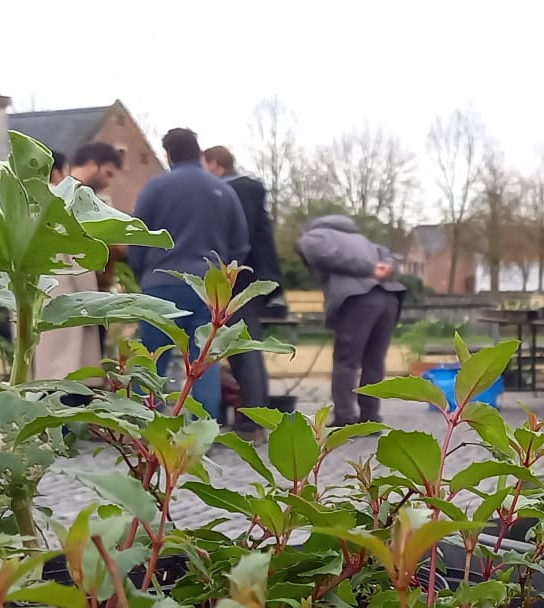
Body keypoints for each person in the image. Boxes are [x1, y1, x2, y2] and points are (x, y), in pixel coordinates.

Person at [126, 128, 247, 418]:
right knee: (204, 360)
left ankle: (146, 425)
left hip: (161, 284)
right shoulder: (223, 191)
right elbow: (240, 244)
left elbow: (136, 236)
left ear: (168, 154)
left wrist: (143, 272)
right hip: (208, 287)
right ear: (198, 151)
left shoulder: (155, 188)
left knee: (153, 358)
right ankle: (203, 429)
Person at [202, 144, 284, 430]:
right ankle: (255, 413)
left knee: (242, 348)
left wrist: (227, 271)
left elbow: (240, 236)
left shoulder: (236, 191)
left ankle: (252, 419)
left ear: (215, 164)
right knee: (246, 348)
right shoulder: (247, 190)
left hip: (240, 279)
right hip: (253, 276)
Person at [298, 215, 403, 426]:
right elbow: (390, 261)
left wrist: (368, 269)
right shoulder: (363, 240)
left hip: (358, 301)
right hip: (389, 299)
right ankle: (371, 417)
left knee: (346, 362)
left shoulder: (316, 236)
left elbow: (320, 254)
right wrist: (383, 268)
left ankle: (345, 418)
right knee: (374, 362)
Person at [34, 141, 125, 381]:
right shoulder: (69, 199)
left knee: (54, 373)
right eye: (107, 173)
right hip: (74, 298)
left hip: (55, 297)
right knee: (71, 377)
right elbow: (79, 258)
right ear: (93, 165)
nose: (109, 181)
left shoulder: (43, 201)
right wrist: (95, 303)